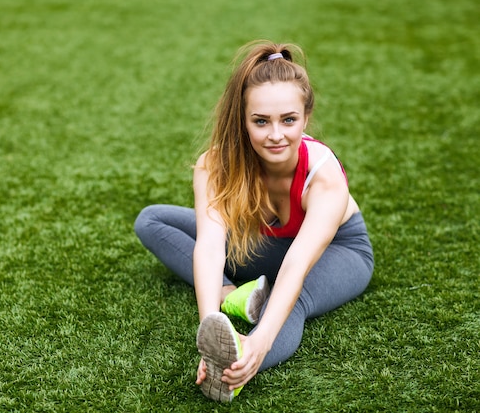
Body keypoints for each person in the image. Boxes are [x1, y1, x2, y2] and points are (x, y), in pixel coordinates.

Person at [134, 40, 374, 402]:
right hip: (267, 246)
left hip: (338, 252)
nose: (276, 135)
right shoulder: (215, 164)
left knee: (292, 299)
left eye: (288, 120)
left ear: (306, 117)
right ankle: (235, 296)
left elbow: (296, 265)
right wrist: (210, 331)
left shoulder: (324, 177)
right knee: (152, 220)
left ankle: (239, 368)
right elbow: (211, 248)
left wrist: (255, 345)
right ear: (243, 119)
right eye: (261, 121)